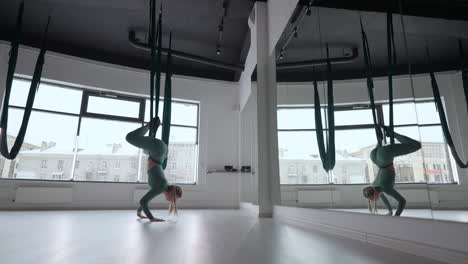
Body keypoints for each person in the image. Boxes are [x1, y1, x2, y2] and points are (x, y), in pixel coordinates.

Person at [126, 117, 182, 222]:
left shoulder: (162, 187)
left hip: (160, 152)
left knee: (144, 150)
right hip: (157, 150)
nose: (172, 201)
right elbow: (143, 201)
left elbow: (145, 200)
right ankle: (149, 126)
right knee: (129, 137)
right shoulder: (161, 187)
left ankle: (152, 130)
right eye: (174, 199)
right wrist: (152, 218)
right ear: (171, 194)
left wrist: (139, 213)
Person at [363, 126, 421, 216]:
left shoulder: (384, 188)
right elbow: (384, 198)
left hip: (385, 157)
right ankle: (379, 140)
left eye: (373, 199)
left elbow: (402, 201)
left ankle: (391, 133)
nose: (375, 200)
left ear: (374, 195)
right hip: (374, 157)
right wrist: (390, 211)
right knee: (383, 151)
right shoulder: (375, 186)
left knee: (417, 145)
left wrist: (396, 216)